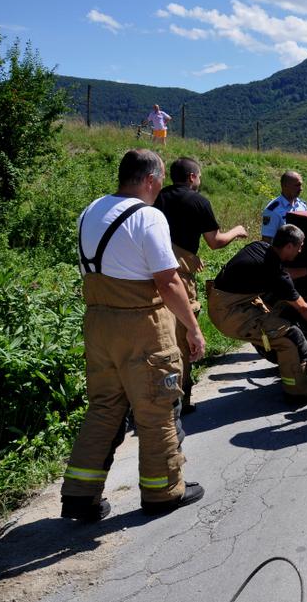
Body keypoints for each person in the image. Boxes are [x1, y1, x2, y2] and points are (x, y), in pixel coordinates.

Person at [61, 149, 206, 521]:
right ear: (150, 179)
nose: (158, 189)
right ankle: (163, 491)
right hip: (141, 326)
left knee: (105, 406)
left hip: (98, 325)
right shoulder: (148, 216)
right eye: (157, 183)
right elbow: (168, 280)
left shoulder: (91, 210)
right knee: (157, 407)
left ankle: (79, 495)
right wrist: (192, 327)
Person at [154, 157, 248, 414]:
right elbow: (215, 241)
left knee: (156, 336)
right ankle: (180, 400)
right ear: (193, 177)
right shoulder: (198, 202)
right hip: (180, 278)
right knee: (184, 338)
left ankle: (154, 395)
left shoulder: (156, 198)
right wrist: (237, 231)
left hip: (150, 276)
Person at [207, 224, 307, 406]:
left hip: (227, 301)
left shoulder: (259, 247)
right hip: (230, 313)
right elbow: (304, 308)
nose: (301, 250)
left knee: (282, 310)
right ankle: (297, 393)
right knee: (292, 338)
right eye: (300, 246)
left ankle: (301, 370)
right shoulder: (274, 271)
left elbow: (284, 274)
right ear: (288, 247)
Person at [262, 171, 307, 242]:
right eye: (297, 185)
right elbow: (266, 240)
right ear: (285, 186)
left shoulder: (302, 206)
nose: (301, 188)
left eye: (301, 185)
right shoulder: (273, 210)